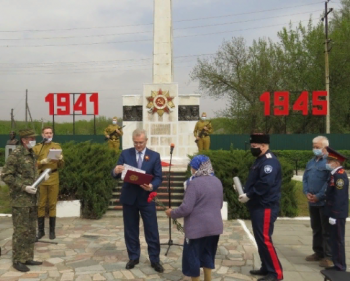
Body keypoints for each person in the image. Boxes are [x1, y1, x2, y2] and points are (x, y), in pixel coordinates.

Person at [111, 129, 164, 273]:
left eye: (141, 142)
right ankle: (133, 257)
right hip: (129, 198)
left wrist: (152, 186)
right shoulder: (125, 153)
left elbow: (158, 177)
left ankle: (155, 259)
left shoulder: (154, 156)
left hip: (146, 198)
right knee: (130, 230)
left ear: (146, 140)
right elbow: (115, 173)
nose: (138, 145)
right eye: (136, 142)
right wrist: (116, 170)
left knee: (151, 229)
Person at [165, 155, 223, 281]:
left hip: (196, 230)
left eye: (192, 167)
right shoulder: (217, 181)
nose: (191, 169)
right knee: (208, 253)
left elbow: (186, 208)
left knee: (193, 257)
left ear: (195, 168)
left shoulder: (194, 183)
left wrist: (172, 213)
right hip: (214, 228)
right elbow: (220, 205)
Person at [238, 134, 283, 281]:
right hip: (258, 206)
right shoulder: (260, 160)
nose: (252, 149)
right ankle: (266, 266)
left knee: (265, 239)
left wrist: (249, 195)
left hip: (265, 206)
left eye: (254, 147)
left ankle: (276, 273)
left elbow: (265, 184)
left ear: (263, 146)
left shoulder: (269, 162)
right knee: (260, 239)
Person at [1, 128, 43, 272]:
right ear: (24, 140)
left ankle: (27, 257)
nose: (33, 141)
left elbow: (30, 174)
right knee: (21, 230)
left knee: (31, 229)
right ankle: (17, 259)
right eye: (31, 138)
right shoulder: (17, 155)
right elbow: (6, 176)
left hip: (32, 198)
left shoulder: (32, 154)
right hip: (20, 199)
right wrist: (23, 187)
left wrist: (41, 179)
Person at [303, 136, 332, 267]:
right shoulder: (311, 162)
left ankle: (328, 257)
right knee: (316, 228)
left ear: (325, 148)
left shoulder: (330, 162)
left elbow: (329, 181)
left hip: (324, 202)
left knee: (326, 230)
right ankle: (318, 252)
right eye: (313, 146)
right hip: (312, 201)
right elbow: (305, 179)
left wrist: (319, 196)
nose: (315, 149)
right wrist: (306, 192)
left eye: (317, 147)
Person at [33, 126, 64, 240]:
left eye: (50, 133)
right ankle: (41, 231)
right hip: (41, 177)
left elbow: (61, 165)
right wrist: (42, 161)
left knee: (52, 204)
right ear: (42, 135)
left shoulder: (56, 146)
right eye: (46, 133)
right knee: (41, 204)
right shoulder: (37, 148)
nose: (48, 135)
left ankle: (52, 231)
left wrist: (60, 159)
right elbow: (33, 164)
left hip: (53, 176)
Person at [322, 147, 349, 271]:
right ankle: (337, 263)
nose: (327, 163)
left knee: (338, 240)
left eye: (329, 161)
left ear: (337, 163)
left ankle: (340, 266)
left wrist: (335, 214)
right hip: (333, 212)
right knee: (334, 239)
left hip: (337, 214)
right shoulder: (335, 174)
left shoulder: (340, 176)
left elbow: (339, 197)